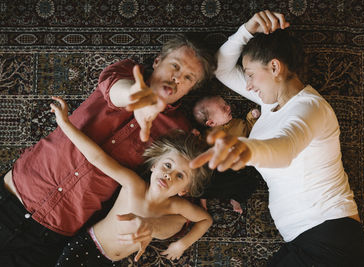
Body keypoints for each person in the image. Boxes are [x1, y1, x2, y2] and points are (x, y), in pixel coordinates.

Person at [0, 34, 216, 267]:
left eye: (188, 77)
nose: (176, 78)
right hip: (14, 194)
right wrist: (138, 99)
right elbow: (115, 91)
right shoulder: (125, 71)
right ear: (157, 61)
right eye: (175, 65)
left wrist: (152, 227)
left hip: (52, 233)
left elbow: (179, 215)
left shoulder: (179, 134)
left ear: (191, 88)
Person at [190, 10, 364, 266]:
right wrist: (246, 30)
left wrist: (245, 149)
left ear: (274, 67)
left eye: (250, 74)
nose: (248, 85)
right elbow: (220, 68)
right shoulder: (269, 105)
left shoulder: (311, 108)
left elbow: (286, 148)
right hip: (312, 239)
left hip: (328, 238)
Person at [50, 96, 212, 266]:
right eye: (167, 165)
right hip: (86, 247)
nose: (168, 175)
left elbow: (205, 220)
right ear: (154, 165)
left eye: (180, 176)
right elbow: (97, 158)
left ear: (184, 190)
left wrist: (182, 245)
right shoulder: (134, 185)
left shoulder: (177, 206)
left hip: (111, 262)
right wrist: (65, 124)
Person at [193, 95, 260, 213]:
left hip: (238, 168)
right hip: (218, 170)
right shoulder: (209, 135)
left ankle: (236, 199)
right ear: (211, 123)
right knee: (205, 178)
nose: (229, 107)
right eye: (223, 108)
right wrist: (195, 137)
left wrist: (252, 117)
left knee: (252, 182)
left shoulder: (239, 123)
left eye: (226, 104)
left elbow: (251, 130)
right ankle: (203, 197)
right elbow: (201, 149)